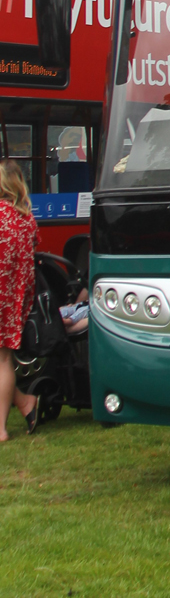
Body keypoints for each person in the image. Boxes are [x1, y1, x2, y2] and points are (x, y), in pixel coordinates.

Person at [0, 159, 39, 439]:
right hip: (15, 300)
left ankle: (1, 428)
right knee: (3, 359)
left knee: (2, 361)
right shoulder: (26, 219)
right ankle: (25, 402)